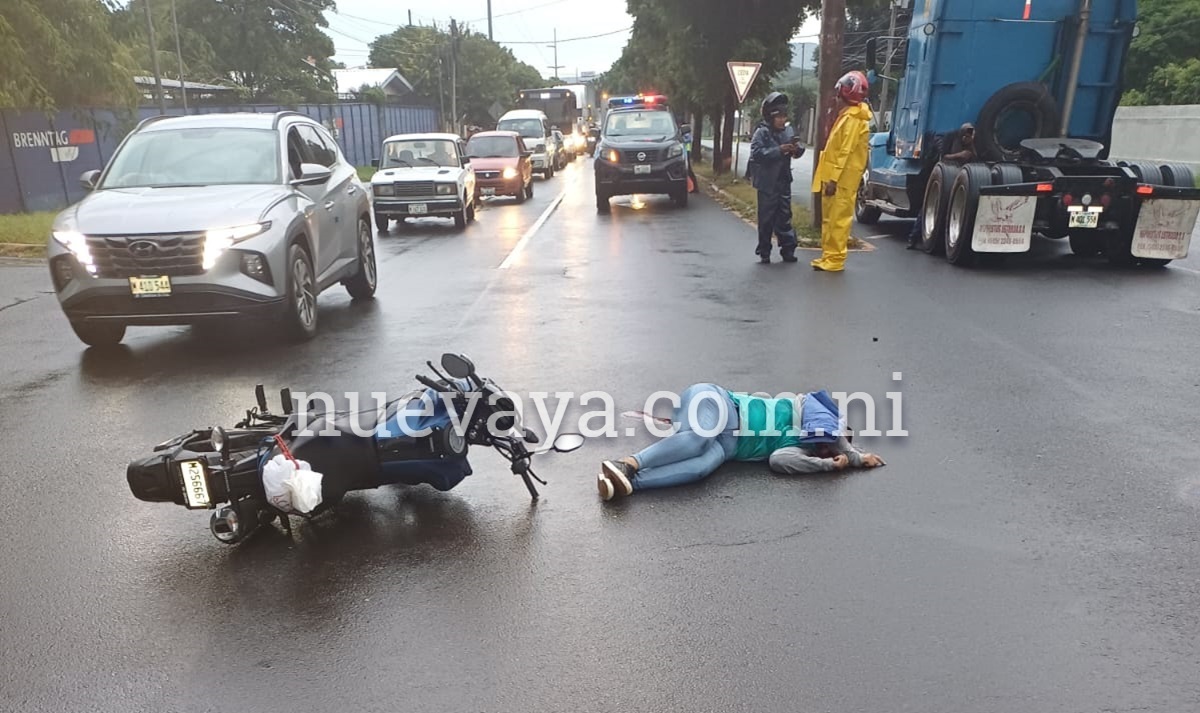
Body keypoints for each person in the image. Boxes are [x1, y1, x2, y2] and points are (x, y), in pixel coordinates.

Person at [597, 383, 885, 501]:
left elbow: (778, 461)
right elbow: (830, 427)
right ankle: (630, 463)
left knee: (700, 468)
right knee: (698, 438)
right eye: (832, 442)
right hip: (718, 402)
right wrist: (854, 457)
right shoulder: (807, 408)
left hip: (727, 448)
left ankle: (626, 482)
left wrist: (824, 464)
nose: (828, 446)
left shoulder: (800, 446)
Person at [811, 71, 873, 272]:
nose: (836, 99)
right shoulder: (846, 117)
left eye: (838, 95)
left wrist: (834, 180)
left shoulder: (854, 120)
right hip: (833, 177)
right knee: (829, 218)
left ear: (846, 95)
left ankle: (835, 259)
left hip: (842, 180)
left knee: (838, 220)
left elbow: (845, 151)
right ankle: (828, 256)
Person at [748, 92, 805, 264]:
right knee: (766, 220)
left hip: (783, 181)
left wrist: (796, 150)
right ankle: (764, 251)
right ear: (770, 116)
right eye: (778, 116)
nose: (782, 119)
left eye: (784, 116)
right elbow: (757, 154)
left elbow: (799, 148)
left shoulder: (788, 131)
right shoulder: (762, 133)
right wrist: (779, 150)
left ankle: (788, 250)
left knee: (785, 217)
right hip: (767, 184)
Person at [907, 122, 977, 249]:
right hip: (942, 174)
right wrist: (959, 155)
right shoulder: (950, 138)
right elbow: (943, 156)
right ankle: (913, 237)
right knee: (927, 207)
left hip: (959, 177)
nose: (967, 139)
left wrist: (971, 149)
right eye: (966, 136)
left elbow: (976, 159)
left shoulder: (971, 144)